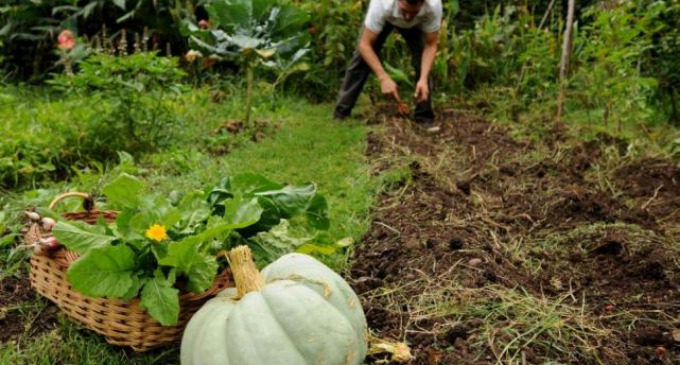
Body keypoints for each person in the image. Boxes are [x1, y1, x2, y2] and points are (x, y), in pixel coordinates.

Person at [333, 0, 442, 124]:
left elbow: (431, 45)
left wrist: (423, 79)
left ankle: (424, 116)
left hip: (417, 24)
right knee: (360, 60)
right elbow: (365, 45)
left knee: (423, 64)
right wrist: (383, 78)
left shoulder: (433, 5)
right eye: (404, 11)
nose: (407, 17)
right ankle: (341, 112)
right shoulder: (381, 3)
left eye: (414, 12)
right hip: (387, 17)